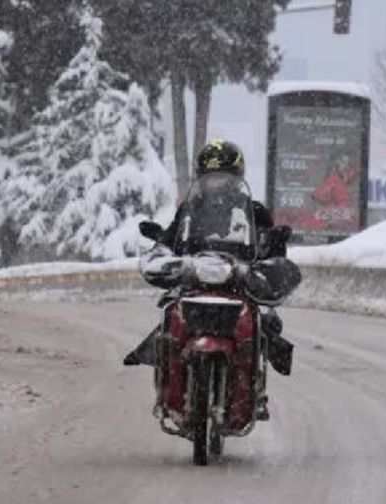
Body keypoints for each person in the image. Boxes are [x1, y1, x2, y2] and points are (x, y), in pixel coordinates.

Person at [123, 140, 301, 419]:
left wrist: (273, 244)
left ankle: (256, 388)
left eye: (224, 178)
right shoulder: (190, 208)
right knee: (168, 313)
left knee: (267, 321)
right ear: (201, 178)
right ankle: (167, 383)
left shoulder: (254, 211)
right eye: (211, 178)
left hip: (237, 282)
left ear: (237, 177)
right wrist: (162, 244)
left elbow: (268, 247)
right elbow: (173, 238)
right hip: (194, 279)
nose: (217, 184)